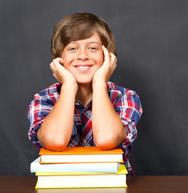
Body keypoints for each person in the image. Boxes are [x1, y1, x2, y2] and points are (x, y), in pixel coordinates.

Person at [27, 12, 143, 175]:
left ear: (108, 56)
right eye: (73, 48)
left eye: (93, 48)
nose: (82, 56)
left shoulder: (125, 97)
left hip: (111, 186)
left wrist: (99, 83)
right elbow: (55, 141)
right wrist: (68, 85)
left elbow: (107, 139)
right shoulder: (44, 100)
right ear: (59, 58)